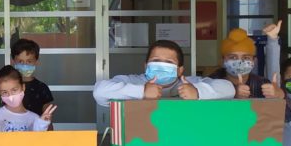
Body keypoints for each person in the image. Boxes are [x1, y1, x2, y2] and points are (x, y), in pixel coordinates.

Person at [92, 40, 235, 106]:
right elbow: (100, 91)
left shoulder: (190, 83)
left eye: (169, 62)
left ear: (180, 70)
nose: (161, 65)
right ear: (146, 65)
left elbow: (229, 88)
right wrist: (141, 91)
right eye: (156, 60)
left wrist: (197, 92)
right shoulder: (133, 82)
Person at [209, 28, 284, 100]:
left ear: (254, 61)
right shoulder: (210, 82)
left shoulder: (262, 84)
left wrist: (279, 94)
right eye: (233, 57)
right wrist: (233, 93)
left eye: (246, 57)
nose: (240, 61)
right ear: (222, 61)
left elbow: (285, 105)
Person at [0, 66, 56, 132]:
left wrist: (42, 124)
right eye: (5, 92)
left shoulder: (34, 118)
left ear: (23, 87)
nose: (10, 96)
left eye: (14, 90)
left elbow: (37, 141)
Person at [11, 39, 55, 118]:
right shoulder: (8, 87)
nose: (25, 65)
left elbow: (47, 118)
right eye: (20, 61)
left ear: (36, 61)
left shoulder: (42, 88)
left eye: (29, 61)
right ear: (13, 61)